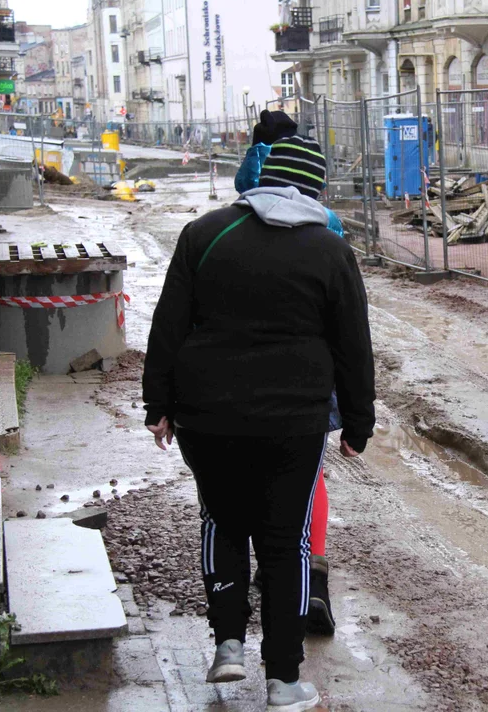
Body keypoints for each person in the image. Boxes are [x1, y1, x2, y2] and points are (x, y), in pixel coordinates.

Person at [143, 135, 376, 710]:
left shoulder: (204, 232)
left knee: (222, 521)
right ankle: (284, 680)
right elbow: (353, 344)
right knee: (285, 543)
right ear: (314, 188)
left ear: (263, 177)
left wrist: (159, 404)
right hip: (292, 421)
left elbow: (168, 323)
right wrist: (357, 423)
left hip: (207, 414)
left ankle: (226, 646)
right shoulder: (328, 248)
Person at [233, 111, 342, 636]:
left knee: (253, 469)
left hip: (247, 370)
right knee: (309, 472)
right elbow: (350, 323)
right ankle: (312, 580)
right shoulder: (330, 227)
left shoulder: (237, 216)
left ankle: (267, 571)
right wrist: (357, 408)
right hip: (312, 377)